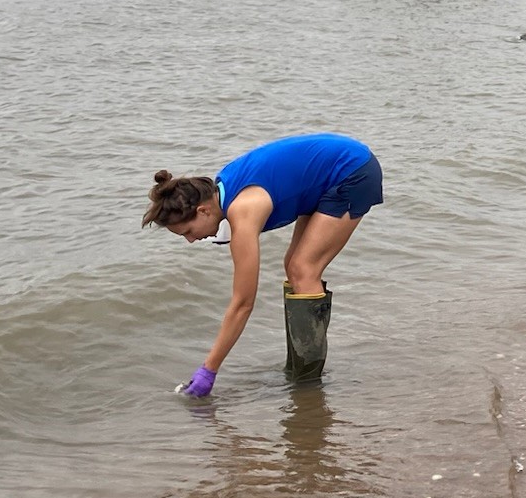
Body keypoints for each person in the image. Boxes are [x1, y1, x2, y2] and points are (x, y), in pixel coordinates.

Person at [143, 132, 382, 396]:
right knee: (294, 266)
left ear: (203, 210)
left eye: (187, 231)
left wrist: (208, 371)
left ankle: (308, 383)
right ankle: (300, 370)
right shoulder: (221, 192)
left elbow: (243, 303)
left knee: (304, 270)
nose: (190, 240)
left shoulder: (242, 211)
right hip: (327, 176)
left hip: (351, 171)